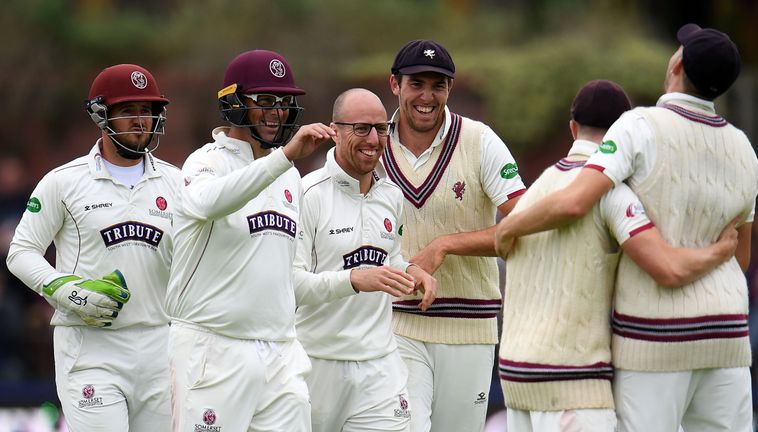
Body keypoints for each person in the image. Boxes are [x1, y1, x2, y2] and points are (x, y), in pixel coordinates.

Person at [497, 24, 758, 432]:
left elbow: (574, 201)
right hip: (727, 336)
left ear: (677, 64)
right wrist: (711, 257)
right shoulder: (745, 148)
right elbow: (739, 257)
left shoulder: (639, 125)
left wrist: (510, 227)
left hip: (654, 339)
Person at [165, 49, 333, 432]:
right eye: (266, 101)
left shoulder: (289, 176)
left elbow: (286, 272)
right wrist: (284, 158)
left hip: (280, 351)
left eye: (285, 102)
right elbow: (208, 202)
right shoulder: (206, 162)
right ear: (235, 103)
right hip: (213, 348)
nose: (277, 112)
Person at [6, 64, 180, 431]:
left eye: (147, 111)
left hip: (160, 348)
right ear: (102, 116)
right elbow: (20, 252)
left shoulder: (178, 181)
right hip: (90, 346)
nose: (140, 121)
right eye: (128, 111)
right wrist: (67, 290)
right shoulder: (63, 182)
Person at [383, 39, 527, 432]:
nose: (427, 96)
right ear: (395, 85)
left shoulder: (480, 141)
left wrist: (445, 245)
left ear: (451, 88)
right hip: (394, 323)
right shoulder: (373, 144)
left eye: (438, 85)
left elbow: (524, 224)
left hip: (470, 324)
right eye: (417, 84)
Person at [294, 88, 438, 432]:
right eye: (361, 128)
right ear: (335, 130)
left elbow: (390, 258)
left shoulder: (391, 195)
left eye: (381, 128)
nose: (373, 139)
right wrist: (354, 280)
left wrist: (412, 271)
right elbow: (291, 285)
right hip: (317, 364)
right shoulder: (306, 193)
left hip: (380, 367)